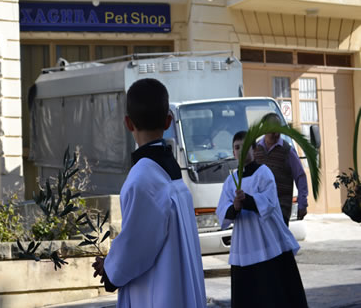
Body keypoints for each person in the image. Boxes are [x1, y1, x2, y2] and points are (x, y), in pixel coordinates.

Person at [92, 78, 207, 308]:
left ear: (128, 123)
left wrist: (110, 269)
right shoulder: (171, 169)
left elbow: (137, 246)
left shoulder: (143, 176)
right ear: (168, 121)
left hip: (158, 295)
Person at [216, 131, 308, 308]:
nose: (240, 152)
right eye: (236, 148)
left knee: (273, 290)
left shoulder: (264, 173)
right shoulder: (231, 180)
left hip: (266, 239)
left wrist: (247, 200)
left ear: (254, 149)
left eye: (245, 147)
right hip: (243, 243)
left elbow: (269, 201)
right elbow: (221, 209)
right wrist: (234, 207)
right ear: (233, 152)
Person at [254, 112, 308, 226]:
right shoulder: (256, 150)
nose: (276, 133)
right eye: (272, 130)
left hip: (281, 210)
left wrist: (302, 203)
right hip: (260, 210)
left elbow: (300, 176)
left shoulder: (287, 151)